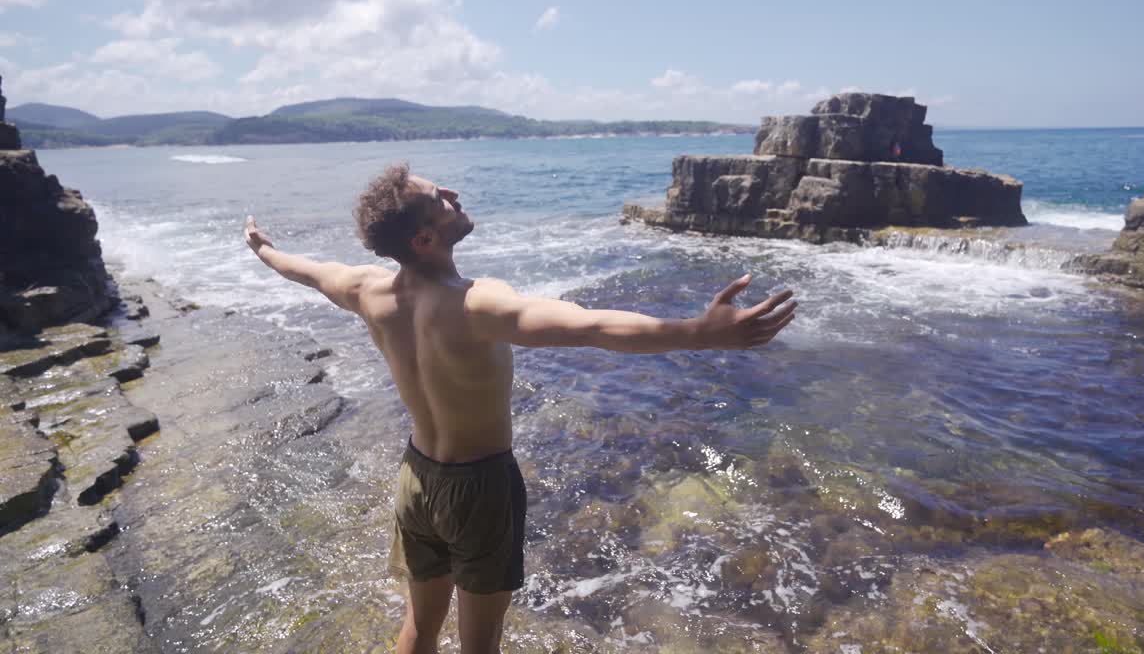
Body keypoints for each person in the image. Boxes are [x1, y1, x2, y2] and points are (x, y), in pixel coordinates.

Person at [242, 163, 797, 654]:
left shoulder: (367, 290)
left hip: (416, 479)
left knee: (420, 628)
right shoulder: (476, 303)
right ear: (427, 238)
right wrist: (701, 333)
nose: (455, 193)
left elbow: (305, 269)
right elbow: (595, 326)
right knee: (480, 645)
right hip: (479, 488)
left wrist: (263, 248)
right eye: (441, 196)